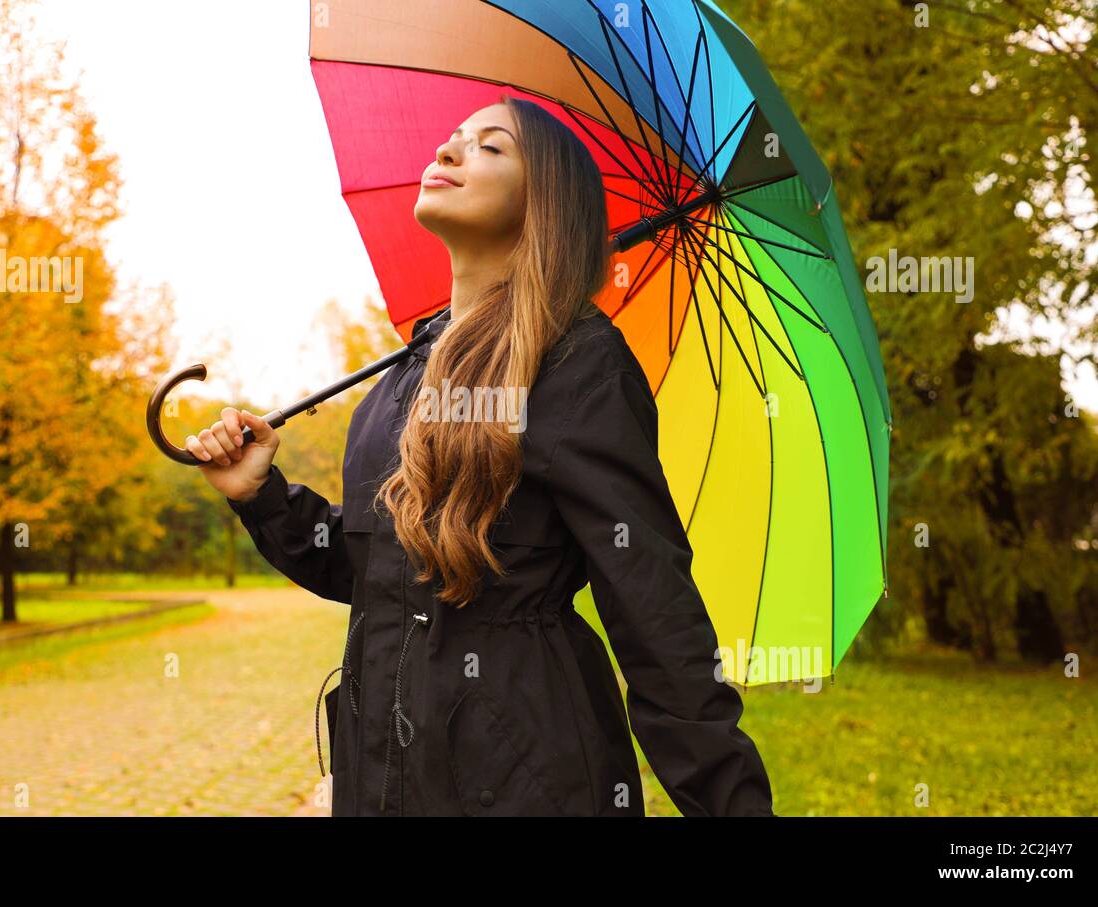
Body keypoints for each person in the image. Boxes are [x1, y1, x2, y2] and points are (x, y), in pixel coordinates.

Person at [188, 96, 775, 817]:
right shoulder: (400, 377)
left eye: (490, 147)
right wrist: (263, 495)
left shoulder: (579, 366)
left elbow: (653, 610)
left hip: (527, 782)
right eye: (451, 139)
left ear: (545, 202)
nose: (447, 153)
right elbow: (379, 575)